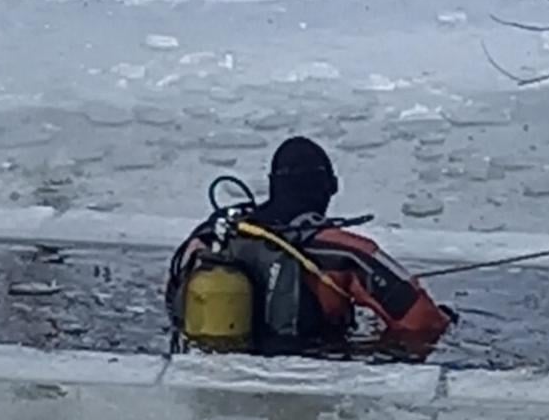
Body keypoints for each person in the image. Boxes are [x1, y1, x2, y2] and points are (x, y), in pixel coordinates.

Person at [166, 136, 456, 357]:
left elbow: (174, 301)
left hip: (211, 378)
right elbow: (422, 322)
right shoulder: (345, 252)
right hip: (305, 384)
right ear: (326, 187)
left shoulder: (210, 236)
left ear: (274, 184)